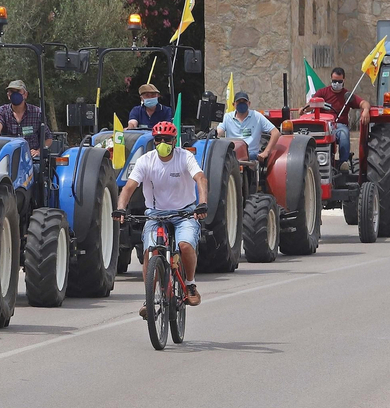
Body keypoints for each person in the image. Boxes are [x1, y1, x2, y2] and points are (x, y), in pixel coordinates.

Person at [113, 121, 209, 309]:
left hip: (184, 213)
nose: (162, 143)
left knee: (185, 245)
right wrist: (121, 208)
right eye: (158, 139)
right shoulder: (145, 161)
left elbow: (200, 178)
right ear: (154, 141)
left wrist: (202, 203)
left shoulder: (185, 157)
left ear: (174, 141)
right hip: (155, 215)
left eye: (167, 139)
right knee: (150, 252)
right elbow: (129, 187)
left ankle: (190, 284)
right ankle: (150, 299)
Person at [314, 67, 366, 166]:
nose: (337, 84)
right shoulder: (322, 92)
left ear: (343, 80)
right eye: (334, 81)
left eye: (339, 81)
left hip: (339, 125)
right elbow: (310, 104)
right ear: (331, 79)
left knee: (343, 134)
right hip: (324, 125)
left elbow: (364, 103)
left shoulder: (347, 95)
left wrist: (366, 110)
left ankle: (343, 163)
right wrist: (304, 108)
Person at [219, 91, 281, 165]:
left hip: (250, 155)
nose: (242, 104)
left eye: (244, 101)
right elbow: (219, 131)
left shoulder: (257, 116)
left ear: (249, 103)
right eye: (239, 102)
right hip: (232, 154)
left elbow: (275, 132)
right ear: (233, 104)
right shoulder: (227, 117)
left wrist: (266, 152)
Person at [0, 80, 48, 155]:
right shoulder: (2, 111)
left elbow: (48, 138)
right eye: (12, 92)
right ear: (8, 95)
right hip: (8, 156)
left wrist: (39, 151)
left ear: (25, 94)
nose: (15, 94)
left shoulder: (37, 112)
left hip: (31, 158)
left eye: (18, 91)